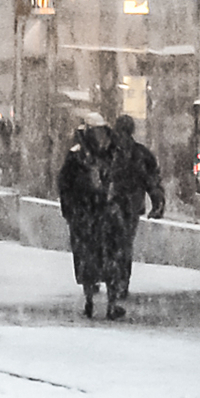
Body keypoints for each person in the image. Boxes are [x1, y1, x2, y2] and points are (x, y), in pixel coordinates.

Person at [58, 119, 132, 319]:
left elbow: (124, 181)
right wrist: (73, 210)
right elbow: (65, 186)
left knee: (111, 259)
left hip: (104, 215)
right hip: (87, 215)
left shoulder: (113, 155)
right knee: (90, 259)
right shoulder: (78, 157)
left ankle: (111, 302)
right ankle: (91, 299)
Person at [113, 115, 165, 221]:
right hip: (129, 205)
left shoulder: (109, 152)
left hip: (123, 206)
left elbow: (151, 181)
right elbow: (152, 181)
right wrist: (157, 204)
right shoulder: (141, 153)